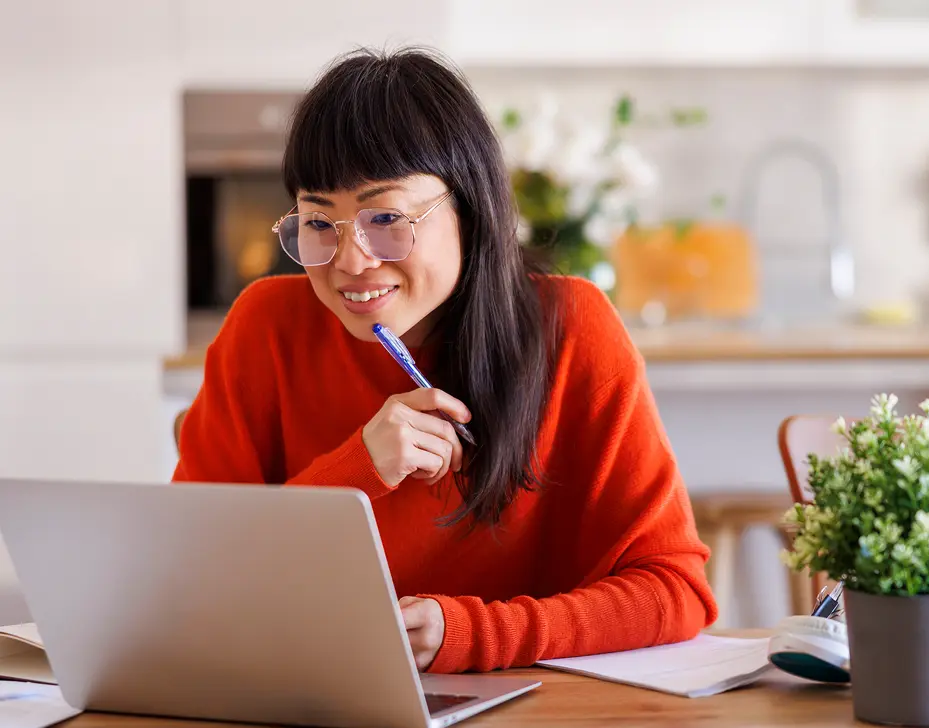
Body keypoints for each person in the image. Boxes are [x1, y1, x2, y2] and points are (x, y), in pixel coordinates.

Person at [172, 46, 718, 673]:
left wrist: (475, 633)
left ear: (470, 208)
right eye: (319, 223)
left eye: (386, 217)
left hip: (536, 715)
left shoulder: (572, 328)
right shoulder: (264, 326)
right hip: (304, 697)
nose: (350, 261)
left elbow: (674, 590)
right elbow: (190, 577)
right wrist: (358, 468)